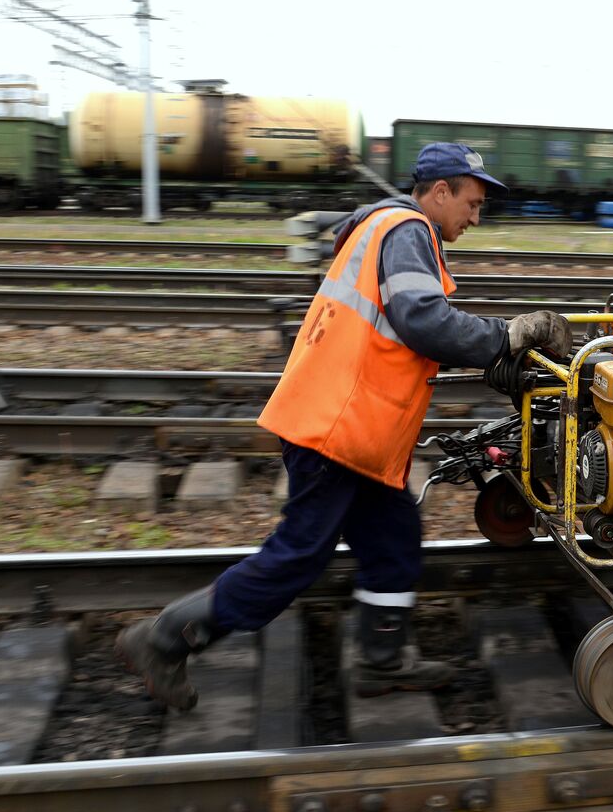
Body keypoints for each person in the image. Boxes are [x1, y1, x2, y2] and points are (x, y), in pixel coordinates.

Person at [116, 142, 572, 710]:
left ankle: (382, 662)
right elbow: (422, 321)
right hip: (336, 428)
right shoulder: (407, 229)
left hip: (357, 433)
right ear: (439, 191)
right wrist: (505, 335)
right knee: (300, 553)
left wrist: (491, 350)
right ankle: (164, 639)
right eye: (472, 203)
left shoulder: (384, 230)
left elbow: (401, 333)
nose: (476, 217)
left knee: (393, 537)